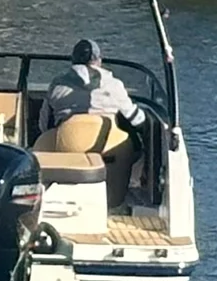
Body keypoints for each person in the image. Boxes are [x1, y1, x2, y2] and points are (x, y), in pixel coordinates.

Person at [43, 39, 143, 205]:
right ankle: (124, 193)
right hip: (109, 149)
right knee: (134, 148)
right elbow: (137, 119)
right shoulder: (115, 85)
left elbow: (44, 123)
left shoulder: (57, 85)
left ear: (73, 60)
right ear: (99, 61)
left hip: (66, 148)